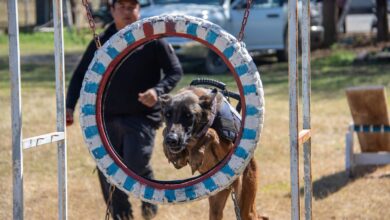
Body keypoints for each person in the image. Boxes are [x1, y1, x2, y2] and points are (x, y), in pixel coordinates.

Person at [65, 0, 183, 219]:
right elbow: (82, 73)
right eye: (122, 7)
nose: (128, 12)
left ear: (139, 10)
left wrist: (157, 91)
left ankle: (147, 195)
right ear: (112, 10)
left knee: (135, 164)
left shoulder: (152, 39)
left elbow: (174, 71)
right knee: (107, 169)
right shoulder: (102, 41)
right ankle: (121, 214)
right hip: (106, 117)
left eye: (132, 7)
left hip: (142, 117)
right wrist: (69, 105)